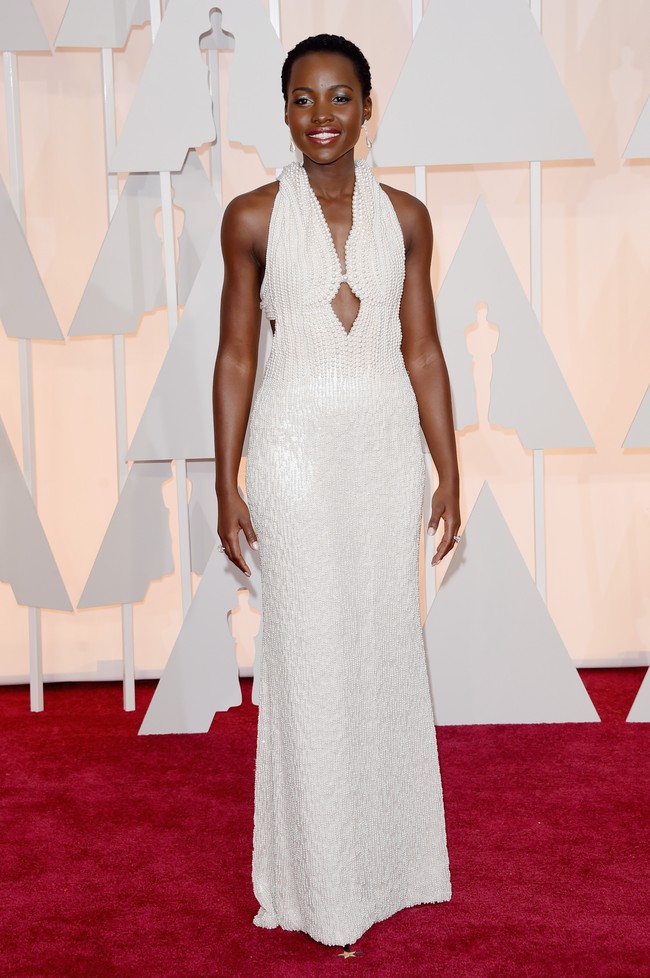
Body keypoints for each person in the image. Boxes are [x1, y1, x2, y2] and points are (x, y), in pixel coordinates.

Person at [212, 33, 461, 952]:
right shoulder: (247, 217)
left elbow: (424, 349)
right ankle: (319, 883)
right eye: (304, 100)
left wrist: (449, 463)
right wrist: (228, 475)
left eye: (341, 97)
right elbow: (237, 355)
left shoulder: (408, 216)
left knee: (381, 648)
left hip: (385, 453)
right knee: (310, 658)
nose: (323, 116)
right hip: (292, 453)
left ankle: (389, 865)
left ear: (366, 107)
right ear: (283, 112)